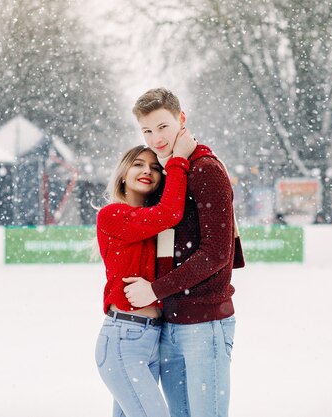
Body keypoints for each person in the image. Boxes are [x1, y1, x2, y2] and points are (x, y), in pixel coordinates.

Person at [123, 87, 239, 417]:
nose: (156, 138)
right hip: (169, 323)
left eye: (162, 127)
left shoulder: (205, 169)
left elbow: (216, 252)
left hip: (205, 322)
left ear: (181, 119)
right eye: (147, 130)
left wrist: (154, 289)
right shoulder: (167, 173)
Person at [95, 135, 197, 417]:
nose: (147, 171)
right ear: (123, 175)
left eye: (154, 167)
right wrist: (177, 160)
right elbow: (171, 212)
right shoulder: (112, 215)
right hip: (123, 340)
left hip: (151, 340)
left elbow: (170, 213)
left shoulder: (154, 223)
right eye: (138, 164)